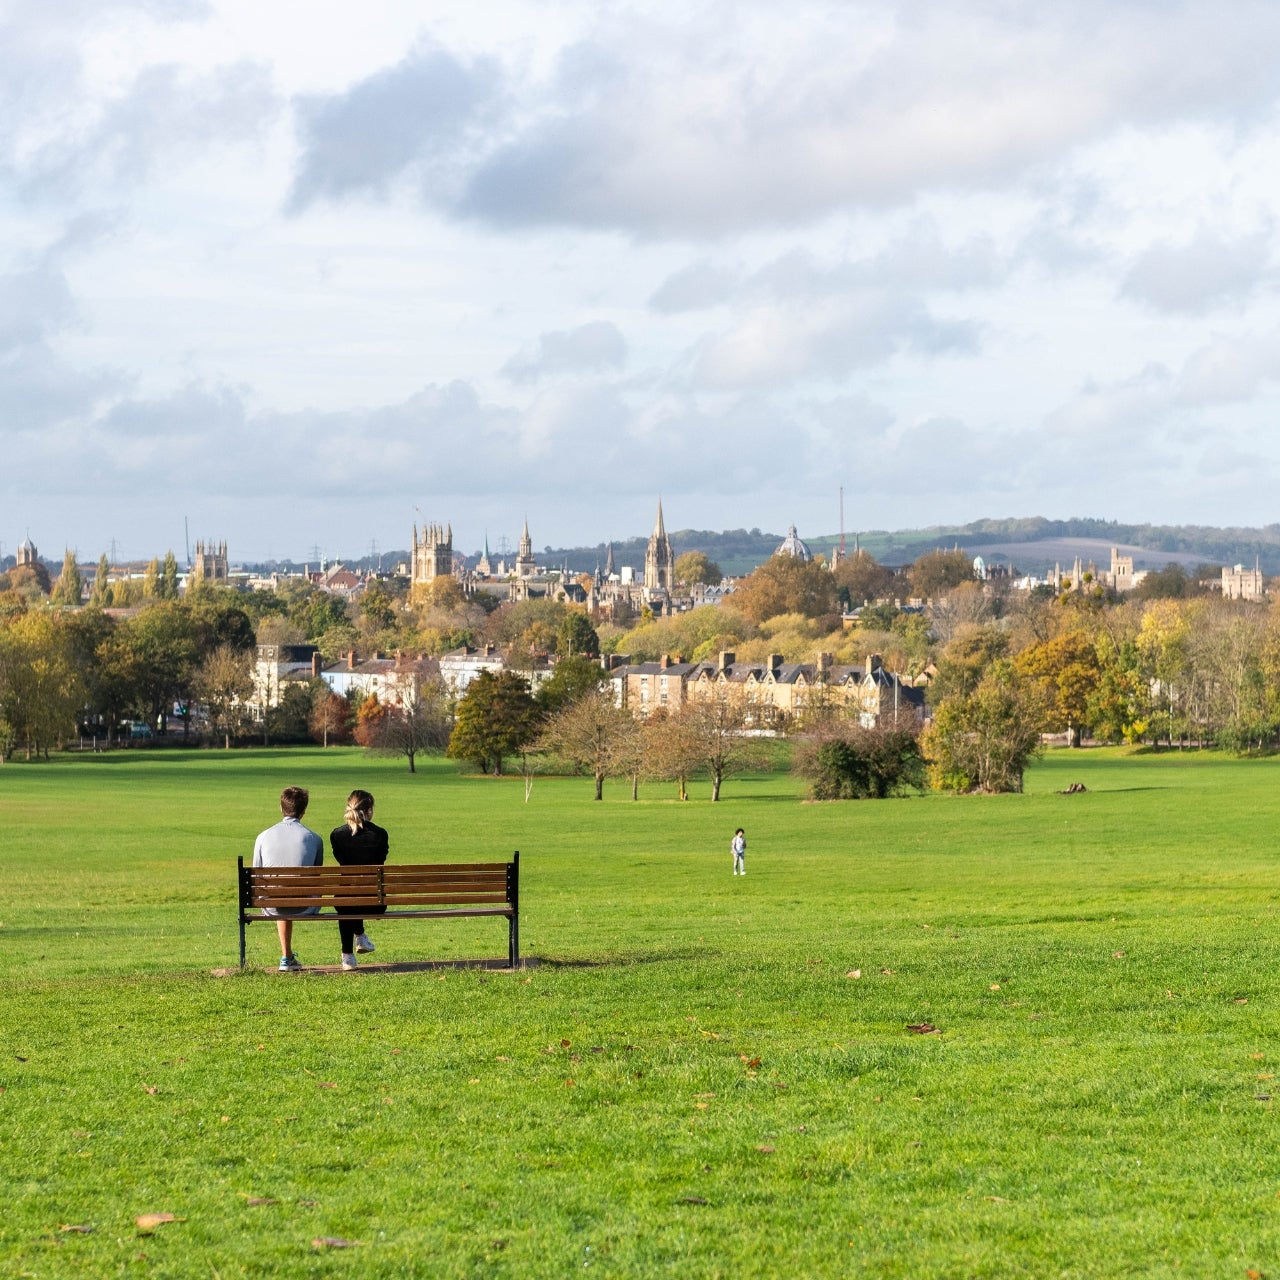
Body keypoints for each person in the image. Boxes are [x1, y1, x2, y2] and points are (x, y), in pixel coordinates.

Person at [252, 786, 324, 971]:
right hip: (305, 907)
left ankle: (286, 957)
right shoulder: (314, 838)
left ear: (281, 807)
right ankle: (287, 958)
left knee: (279, 892)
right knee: (292, 891)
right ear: (304, 811)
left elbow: (257, 872)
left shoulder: (263, 836)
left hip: (271, 906)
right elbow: (316, 876)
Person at [329, 789, 388, 971]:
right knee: (355, 896)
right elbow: (381, 860)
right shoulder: (380, 834)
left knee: (346, 900)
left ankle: (348, 957)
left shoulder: (337, 835)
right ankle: (360, 937)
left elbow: (341, 860)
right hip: (375, 901)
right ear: (369, 810)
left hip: (346, 900)